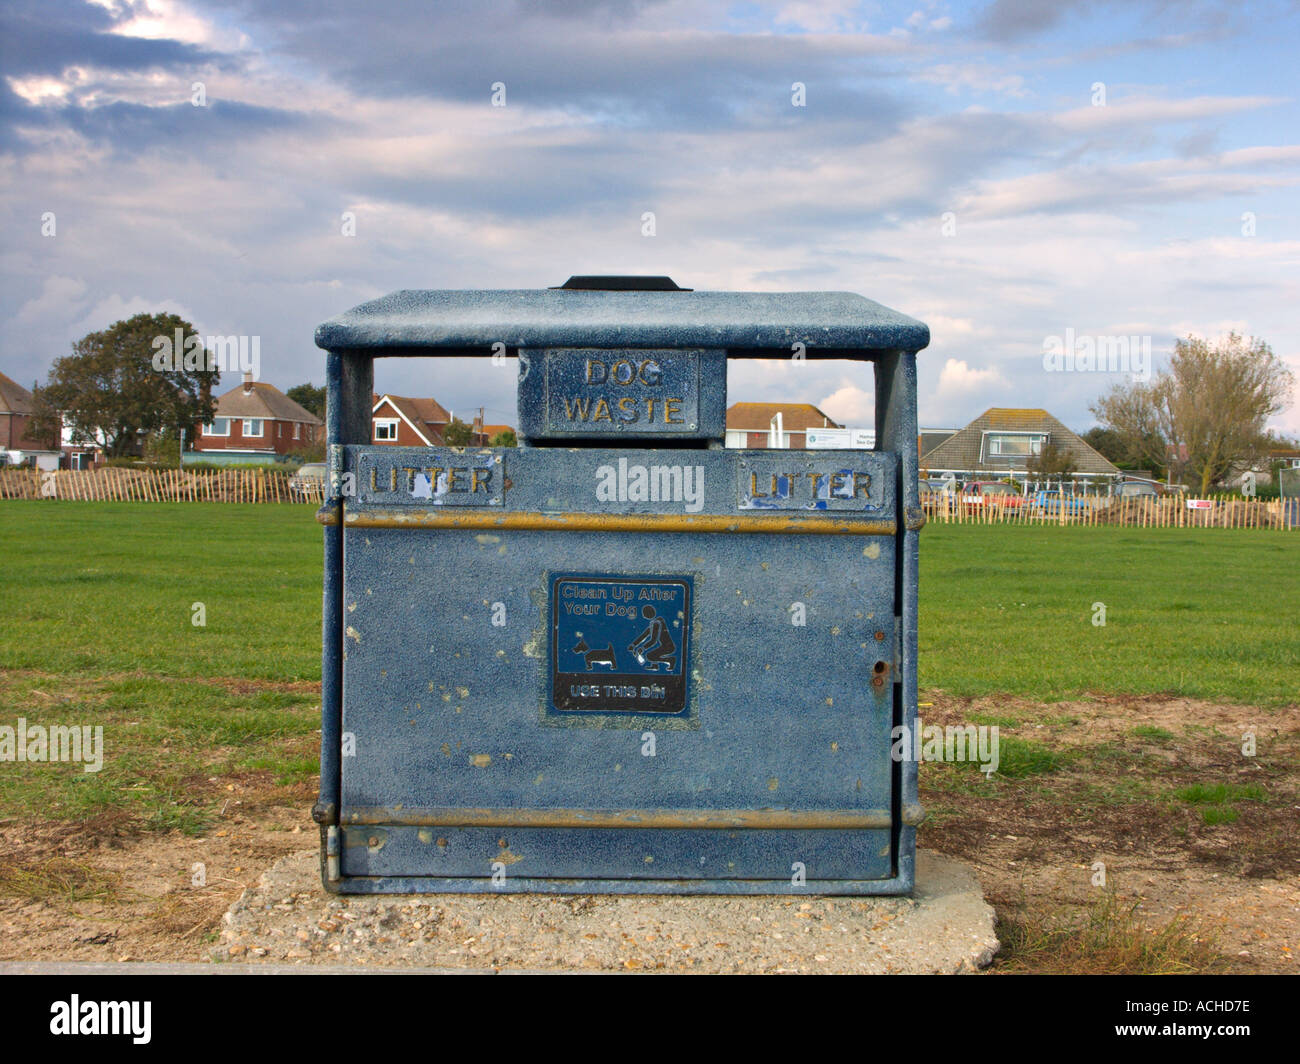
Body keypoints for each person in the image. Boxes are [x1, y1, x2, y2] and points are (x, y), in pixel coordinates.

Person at [629, 604, 676, 671]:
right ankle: (655, 665)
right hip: (665, 646)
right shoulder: (654, 623)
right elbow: (644, 635)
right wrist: (633, 644)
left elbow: (653, 641)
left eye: (644, 613)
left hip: (668, 647)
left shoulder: (657, 623)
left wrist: (642, 648)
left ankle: (670, 660)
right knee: (652, 654)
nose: (643, 615)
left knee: (650, 656)